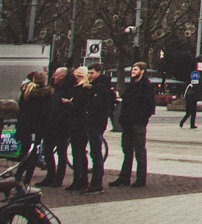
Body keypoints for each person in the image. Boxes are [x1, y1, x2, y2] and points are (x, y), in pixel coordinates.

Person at [110, 61, 157, 187]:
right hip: (128, 123)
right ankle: (124, 177)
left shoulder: (146, 86)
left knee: (139, 151)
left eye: (135, 70)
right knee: (127, 150)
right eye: (132, 70)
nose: (132, 72)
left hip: (138, 123)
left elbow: (149, 106)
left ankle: (141, 179)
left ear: (142, 71)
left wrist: (141, 119)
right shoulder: (131, 86)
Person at [79, 64, 115, 194]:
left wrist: (87, 117)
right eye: (88, 73)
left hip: (95, 123)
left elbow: (96, 107)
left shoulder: (99, 88)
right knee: (96, 153)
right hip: (98, 123)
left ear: (99, 72)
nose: (89, 76)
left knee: (96, 153)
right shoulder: (102, 87)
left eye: (92, 73)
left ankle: (96, 183)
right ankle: (96, 182)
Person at [15, 71, 50, 185]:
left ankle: (17, 176)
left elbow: (21, 111)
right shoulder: (44, 94)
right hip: (36, 129)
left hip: (25, 127)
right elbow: (45, 113)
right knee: (33, 154)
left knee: (25, 152)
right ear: (44, 81)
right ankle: (26, 180)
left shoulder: (26, 92)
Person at [39, 68, 71, 187]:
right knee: (47, 150)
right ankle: (50, 176)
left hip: (61, 126)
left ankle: (58, 179)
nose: (53, 77)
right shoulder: (53, 89)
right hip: (50, 124)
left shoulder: (67, 90)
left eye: (56, 75)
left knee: (61, 153)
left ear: (62, 76)